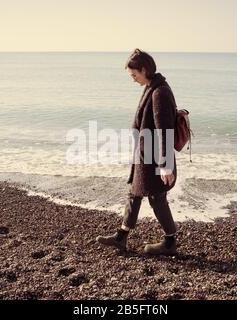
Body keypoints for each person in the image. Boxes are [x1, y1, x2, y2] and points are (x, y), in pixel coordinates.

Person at [96, 49, 178, 256]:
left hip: (155, 158)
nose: (132, 79)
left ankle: (170, 242)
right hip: (145, 155)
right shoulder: (151, 86)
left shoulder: (160, 92)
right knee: (134, 192)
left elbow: (164, 131)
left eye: (134, 75)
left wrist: (166, 165)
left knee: (157, 198)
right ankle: (121, 237)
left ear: (144, 70)